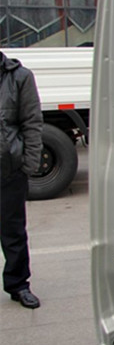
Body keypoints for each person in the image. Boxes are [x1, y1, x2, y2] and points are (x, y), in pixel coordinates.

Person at [0, 50, 43, 309]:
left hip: (8, 169)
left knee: (13, 231)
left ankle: (18, 285)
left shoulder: (20, 77)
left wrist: (28, 164)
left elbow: (32, 122)